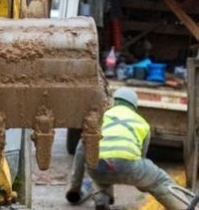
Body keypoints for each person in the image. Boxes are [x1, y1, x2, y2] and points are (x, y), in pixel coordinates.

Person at [66, 87, 194, 210]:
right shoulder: (142, 123)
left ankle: (101, 199)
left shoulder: (99, 118)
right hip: (129, 166)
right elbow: (140, 157)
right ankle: (183, 207)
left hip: (98, 169)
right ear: (134, 106)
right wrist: (141, 183)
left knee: (100, 167)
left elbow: (81, 152)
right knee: (160, 180)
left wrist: (75, 188)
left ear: (114, 101)